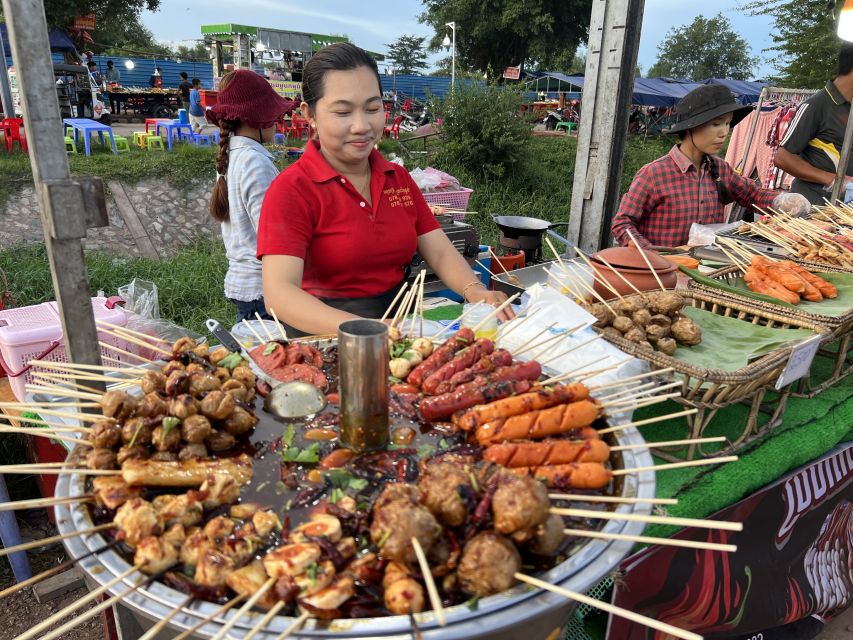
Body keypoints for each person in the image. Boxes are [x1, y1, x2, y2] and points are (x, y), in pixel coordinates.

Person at [258, 43, 509, 337]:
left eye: (373, 108)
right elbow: (280, 294)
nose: (362, 125)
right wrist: (366, 329)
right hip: (323, 337)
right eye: (342, 112)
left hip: (396, 326)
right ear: (309, 114)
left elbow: (439, 251)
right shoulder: (292, 190)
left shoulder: (397, 178)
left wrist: (475, 290)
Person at [611, 85, 811, 249]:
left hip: (707, 270)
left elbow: (752, 195)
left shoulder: (720, 169)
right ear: (691, 127)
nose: (724, 132)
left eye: (727, 124)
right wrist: (646, 251)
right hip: (662, 271)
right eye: (716, 124)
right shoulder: (654, 174)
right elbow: (622, 223)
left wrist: (781, 201)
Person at [206, 70, 293, 324]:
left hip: (245, 284)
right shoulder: (256, 162)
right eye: (273, 115)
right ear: (257, 117)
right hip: (262, 290)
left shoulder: (233, 154)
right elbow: (273, 236)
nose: (277, 121)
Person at [774, 44, 853, 205]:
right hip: (814, 210)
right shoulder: (815, 106)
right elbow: (782, 158)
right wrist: (833, 179)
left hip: (844, 211)